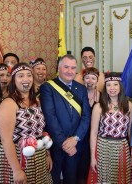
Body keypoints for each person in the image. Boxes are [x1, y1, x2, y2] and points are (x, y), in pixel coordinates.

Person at [0, 63, 53, 183]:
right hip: (17, 159)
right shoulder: (8, 103)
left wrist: (47, 154)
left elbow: (41, 131)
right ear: (13, 80)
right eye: (20, 76)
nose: (26, 79)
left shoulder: (36, 101)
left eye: (29, 75)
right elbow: (6, 140)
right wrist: (16, 170)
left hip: (38, 157)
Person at [40, 54, 91, 184]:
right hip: (56, 145)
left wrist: (75, 138)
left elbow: (86, 116)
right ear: (59, 67)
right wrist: (65, 143)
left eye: (73, 68)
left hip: (75, 144)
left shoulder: (81, 89)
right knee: (54, 180)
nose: (70, 71)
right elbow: (50, 117)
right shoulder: (48, 87)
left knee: (72, 180)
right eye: (66, 67)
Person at [88, 72, 132, 184]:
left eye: (115, 84)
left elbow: (130, 132)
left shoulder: (129, 105)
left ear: (120, 86)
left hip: (122, 148)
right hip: (103, 147)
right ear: (105, 87)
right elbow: (93, 133)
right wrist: (93, 157)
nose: (112, 88)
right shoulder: (98, 106)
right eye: (108, 85)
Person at [77, 67, 100, 184]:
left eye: (93, 78)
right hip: (79, 136)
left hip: (95, 137)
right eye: (87, 78)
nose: (90, 81)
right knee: (79, 166)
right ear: (83, 79)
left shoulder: (102, 97)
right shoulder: (77, 95)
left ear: (97, 81)